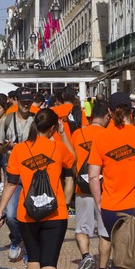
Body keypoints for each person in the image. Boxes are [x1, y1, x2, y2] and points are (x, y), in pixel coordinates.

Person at [0, 108, 76, 269]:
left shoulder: (19, 149)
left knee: (33, 257)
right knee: (49, 260)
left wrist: (1, 210)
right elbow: (73, 160)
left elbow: (11, 183)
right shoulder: (57, 147)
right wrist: (63, 135)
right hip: (55, 212)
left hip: (27, 212)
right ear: (53, 128)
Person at [88, 92, 135, 269]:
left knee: (120, 256)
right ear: (132, 110)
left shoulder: (101, 137)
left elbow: (93, 177)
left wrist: (99, 202)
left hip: (110, 209)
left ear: (109, 111)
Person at [71, 101, 112, 269]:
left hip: (83, 188)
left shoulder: (77, 133)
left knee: (81, 229)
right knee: (105, 233)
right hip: (104, 189)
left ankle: (86, 256)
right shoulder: (108, 134)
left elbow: (71, 161)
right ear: (106, 117)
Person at [0, 87, 36, 261]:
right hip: (14, 174)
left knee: (31, 215)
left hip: (33, 174)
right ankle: (16, 239)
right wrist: (5, 147)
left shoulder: (36, 120)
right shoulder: (8, 120)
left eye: (29, 101)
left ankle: (28, 248)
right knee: (11, 216)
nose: (26, 104)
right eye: (23, 101)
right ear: (17, 100)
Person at [52, 86, 88, 216]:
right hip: (72, 148)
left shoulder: (53, 111)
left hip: (56, 147)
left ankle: (57, 201)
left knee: (57, 177)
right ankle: (66, 206)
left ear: (62, 97)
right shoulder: (79, 111)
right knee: (69, 178)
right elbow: (84, 129)